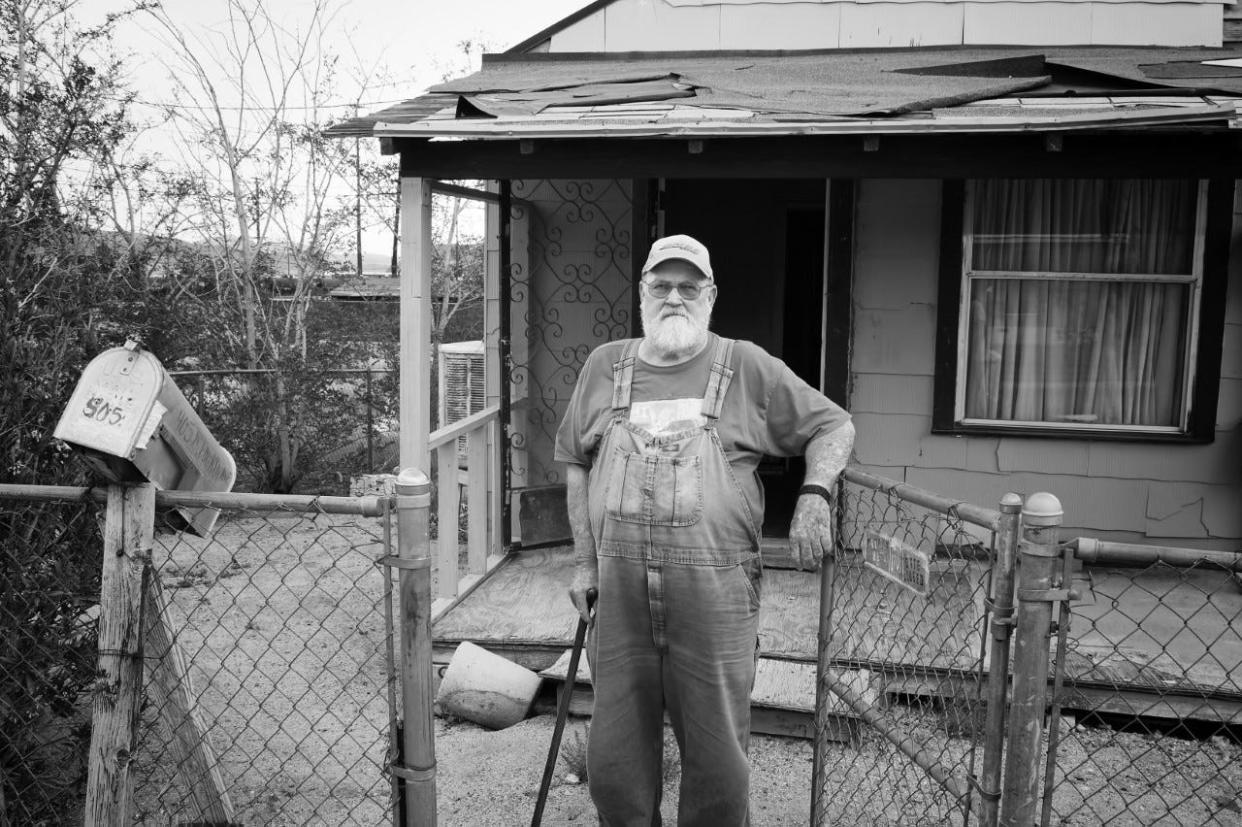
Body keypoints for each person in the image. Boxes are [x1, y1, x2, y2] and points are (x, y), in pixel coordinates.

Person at [553, 233, 855, 826]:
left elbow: (834, 427)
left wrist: (814, 494)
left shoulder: (745, 366)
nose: (674, 297)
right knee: (613, 764)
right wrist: (584, 564)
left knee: (718, 763)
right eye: (661, 285)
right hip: (617, 597)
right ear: (642, 293)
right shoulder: (604, 366)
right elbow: (575, 463)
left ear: (709, 295)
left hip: (715, 596)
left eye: (688, 287)